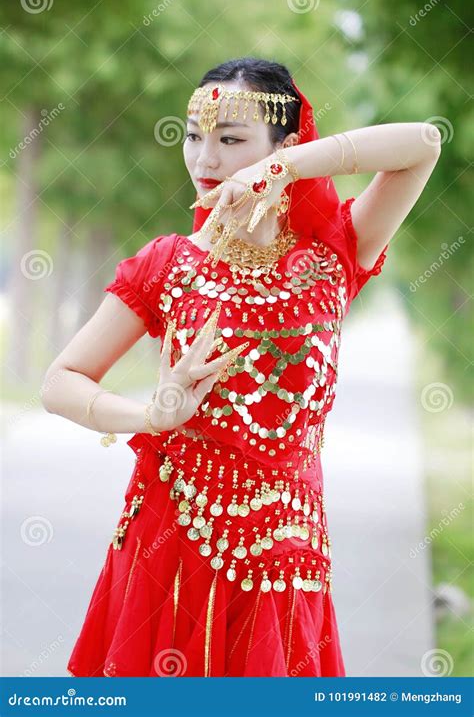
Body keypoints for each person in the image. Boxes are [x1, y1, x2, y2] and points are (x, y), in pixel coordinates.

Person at [41, 57, 441, 677]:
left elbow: (423, 143)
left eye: (231, 141)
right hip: (172, 542)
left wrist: (282, 169)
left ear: (285, 144)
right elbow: (60, 381)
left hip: (286, 552)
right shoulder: (167, 265)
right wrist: (150, 413)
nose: (205, 161)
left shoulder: (336, 250)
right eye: (194, 138)